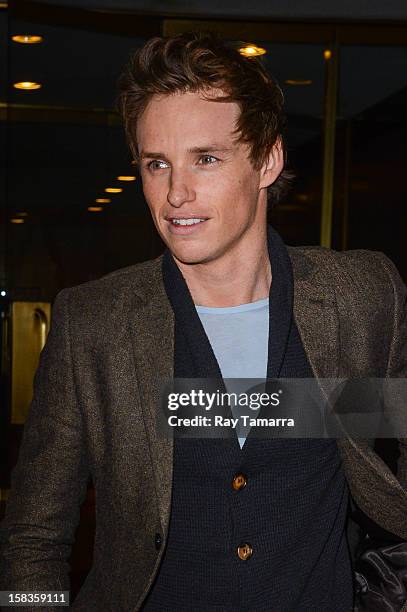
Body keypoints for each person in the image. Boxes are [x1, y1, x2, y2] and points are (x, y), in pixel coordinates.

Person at [0, 30, 406, 612]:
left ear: (268, 161)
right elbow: (33, 539)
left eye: (206, 159)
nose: (176, 195)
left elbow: (373, 430)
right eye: (156, 165)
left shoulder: (361, 298)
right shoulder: (95, 325)